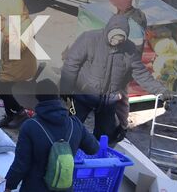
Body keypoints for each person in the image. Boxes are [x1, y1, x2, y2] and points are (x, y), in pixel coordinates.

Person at [61, 14, 170, 142]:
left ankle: (98, 157)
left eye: (120, 39)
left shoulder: (129, 49)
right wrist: (65, 92)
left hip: (109, 101)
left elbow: (141, 74)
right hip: (83, 95)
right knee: (70, 129)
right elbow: (71, 65)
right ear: (108, 31)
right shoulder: (89, 39)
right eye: (114, 37)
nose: (116, 41)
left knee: (106, 137)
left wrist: (161, 90)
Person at [3, 83, 100, 192]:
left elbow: (21, 165)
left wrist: (8, 186)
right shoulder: (75, 124)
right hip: (64, 188)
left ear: (37, 98)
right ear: (57, 97)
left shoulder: (30, 126)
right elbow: (93, 149)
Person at [0, 0, 40, 127]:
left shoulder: (27, 25)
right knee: (2, 87)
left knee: (1, 87)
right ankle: (10, 114)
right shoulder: (14, 23)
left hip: (22, 68)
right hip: (13, 65)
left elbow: (17, 48)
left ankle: (20, 113)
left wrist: (5, 29)